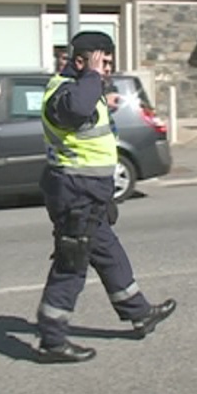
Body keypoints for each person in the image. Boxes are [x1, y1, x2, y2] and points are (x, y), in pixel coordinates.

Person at [35, 31, 175, 364]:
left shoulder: (85, 88)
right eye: (102, 62)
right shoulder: (65, 92)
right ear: (80, 61)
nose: (107, 69)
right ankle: (52, 339)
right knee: (72, 264)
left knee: (108, 253)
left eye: (109, 63)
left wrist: (102, 95)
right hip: (74, 192)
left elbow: (87, 117)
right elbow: (74, 108)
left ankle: (139, 313)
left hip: (89, 193)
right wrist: (94, 78)